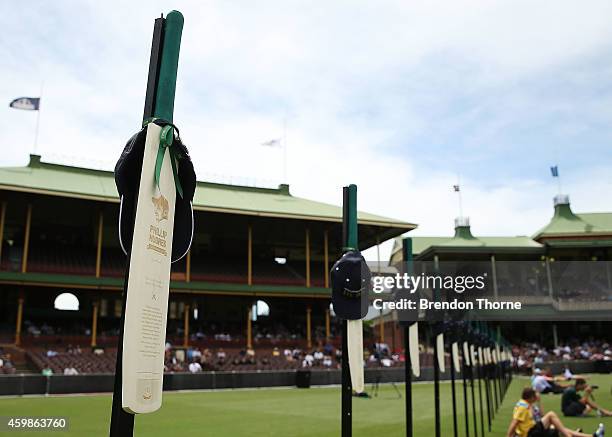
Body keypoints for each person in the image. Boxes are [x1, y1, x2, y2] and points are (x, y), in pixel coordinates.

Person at [507, 387, 604, 437]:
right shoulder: (523, 407)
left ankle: (593, 436)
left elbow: (540, 416)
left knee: (561, 429)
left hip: (533, 430)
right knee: (551, 415)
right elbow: (514, 422)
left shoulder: (526, 404)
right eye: (535, 396)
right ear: (531, 397)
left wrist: (539, 402)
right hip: (530, 433)